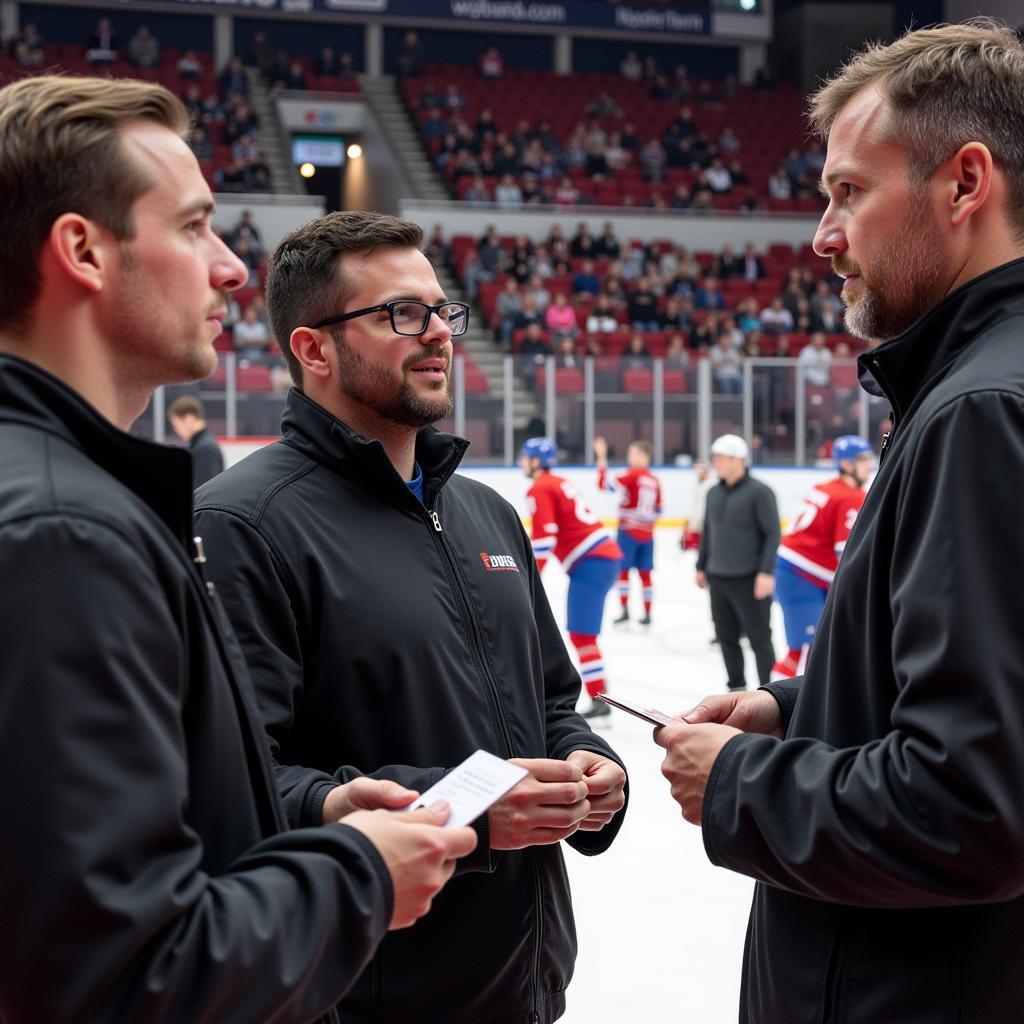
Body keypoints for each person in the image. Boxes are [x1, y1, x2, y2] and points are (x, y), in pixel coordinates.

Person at [0, 75, 477, 1023]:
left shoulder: (65, 497)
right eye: (193, 227)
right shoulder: (64, 532)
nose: (228, 268)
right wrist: (359, 874)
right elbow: (116, 975)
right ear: (83, 251)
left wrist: (308, 819)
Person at [655, 21, 1024, 1023]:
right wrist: (797, 705)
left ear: (962, 184)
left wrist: (740, 780)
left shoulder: (981, 411)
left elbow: (969, 809)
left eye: (849, 192)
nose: (823, 236)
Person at [194, 211, 628, 1024]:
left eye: (440, 310)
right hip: (363, 997)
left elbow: (552, 706)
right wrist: (459, 808)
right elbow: (238, 788)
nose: (437, 334)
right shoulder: (242, 525)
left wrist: (594, 771)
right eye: (400, 314)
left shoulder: (489, 514)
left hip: (524, 989)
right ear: (314, 349)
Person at [521, 438, 624, 722]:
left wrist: (530, 578)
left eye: (525, 457)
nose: (522, 462)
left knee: (581, 634)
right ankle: (599, 695)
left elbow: (545, 538)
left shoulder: (539, 487)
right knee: (582, 634)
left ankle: (599, 696)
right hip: (600, 557)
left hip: (592, 561)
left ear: (535, 461)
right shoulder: (557, 481)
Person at [772, 435, 872, 677]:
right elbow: (845, 552)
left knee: (804, 650)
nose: (869, 465)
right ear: (847, 464)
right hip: (802, 577)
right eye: (863, 459)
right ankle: (782, 709)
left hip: (793, 571)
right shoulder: (851, 496)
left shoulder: (824, 487)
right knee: (806, 652)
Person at [696, 434, 779, 690]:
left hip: (749, 578)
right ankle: (736, 689)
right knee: (726, 638)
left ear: (737, 459)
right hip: (718, 577)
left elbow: (772, 534)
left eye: (720, 458)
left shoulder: (760, 492)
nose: (715, 463)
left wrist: (765, 572)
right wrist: (701, 566)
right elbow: (708, 531)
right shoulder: (712, 493)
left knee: (759, 639)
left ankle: (770, 693)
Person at [594, 436, 662, 626]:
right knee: (646, 574)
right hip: (647, 535)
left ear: (643, 456)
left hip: (628, 533)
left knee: (623, 572)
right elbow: (659, 509)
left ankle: (625, 610)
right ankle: (648, 613)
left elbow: (603, 485)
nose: (629, 457)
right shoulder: (655, 480)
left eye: (632, 453)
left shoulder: (631, 475)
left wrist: (601, 458)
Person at [167, 393, 225, 488]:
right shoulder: (200, 445)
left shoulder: (205, 449)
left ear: (189, 418)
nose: (176, 430)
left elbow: (204, 492)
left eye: (176, 425)